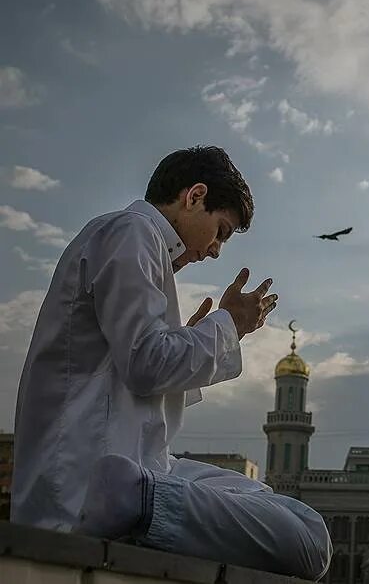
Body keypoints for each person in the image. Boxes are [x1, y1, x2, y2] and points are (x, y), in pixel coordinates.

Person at [11, 146, 331, 580]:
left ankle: (136, 496)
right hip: (88, 477)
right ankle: (133, 498)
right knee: (305, 546)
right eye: (220, 231)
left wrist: (191, 337)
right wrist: (229, 325)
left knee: (305, 523)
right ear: (194, 196)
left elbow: (139, 374)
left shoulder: (132, 240)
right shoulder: (132, 231)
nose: (216, 250)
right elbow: (148, 364)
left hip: (136, 464)